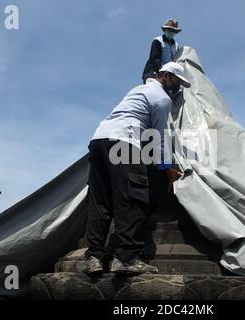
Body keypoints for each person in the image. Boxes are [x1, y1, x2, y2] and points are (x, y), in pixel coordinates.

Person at [81, 62, 190, 275]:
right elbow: (158, 136)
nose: (177, 87)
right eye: (176, 81)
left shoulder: (138, 90)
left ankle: (94, 257)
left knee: (100, 201)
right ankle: (126, 258)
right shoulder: (161, 98)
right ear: (166, 76)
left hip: (99, 140)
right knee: (133, 198)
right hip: (124, 141)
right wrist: (167, 167)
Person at [142, 18, 182, 84]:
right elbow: (155, 59)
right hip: (153, 72)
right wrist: (163, 70)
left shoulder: (176, 46)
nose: (171, 32)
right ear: (165, 30)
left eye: (173, 30)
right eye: (169, 30)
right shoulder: (158, 41)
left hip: (167, 74)